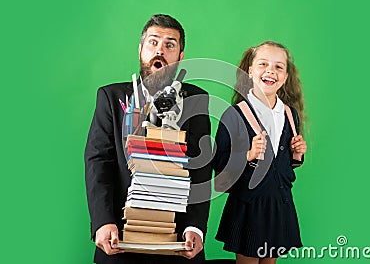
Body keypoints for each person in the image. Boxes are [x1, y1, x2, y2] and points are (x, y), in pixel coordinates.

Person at [85, 14, 212, 264]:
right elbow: (98, 162)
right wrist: (103, 221)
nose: (160, 51)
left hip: (178, 239)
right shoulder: (110, 97)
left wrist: (195, 227)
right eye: (153, 42)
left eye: (170, 45)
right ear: (141, 49)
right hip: (119, 236)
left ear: (181, 56)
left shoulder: (197, 100)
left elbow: (201, 165)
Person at [212, 41, 307, 264]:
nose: (270, 71)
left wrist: (297, 154)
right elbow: (219, 162)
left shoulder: (289, 115)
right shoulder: (234, 114)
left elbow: (283, 165)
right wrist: (248, 155)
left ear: (285, 77)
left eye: (278, 67)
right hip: (249, 205)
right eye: (263, 64)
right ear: (250, 71)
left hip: (278, 202)